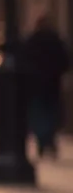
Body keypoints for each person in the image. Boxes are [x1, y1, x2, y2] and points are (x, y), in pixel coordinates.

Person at [23, 15, 69, 159]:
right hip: (51, 84)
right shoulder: (55, 40)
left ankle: (43, 141)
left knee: (39, 114)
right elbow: (65, 60)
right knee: (50, 114)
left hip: (37, 85)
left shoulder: (32, 40)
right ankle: (48, 140)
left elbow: (25, 61)